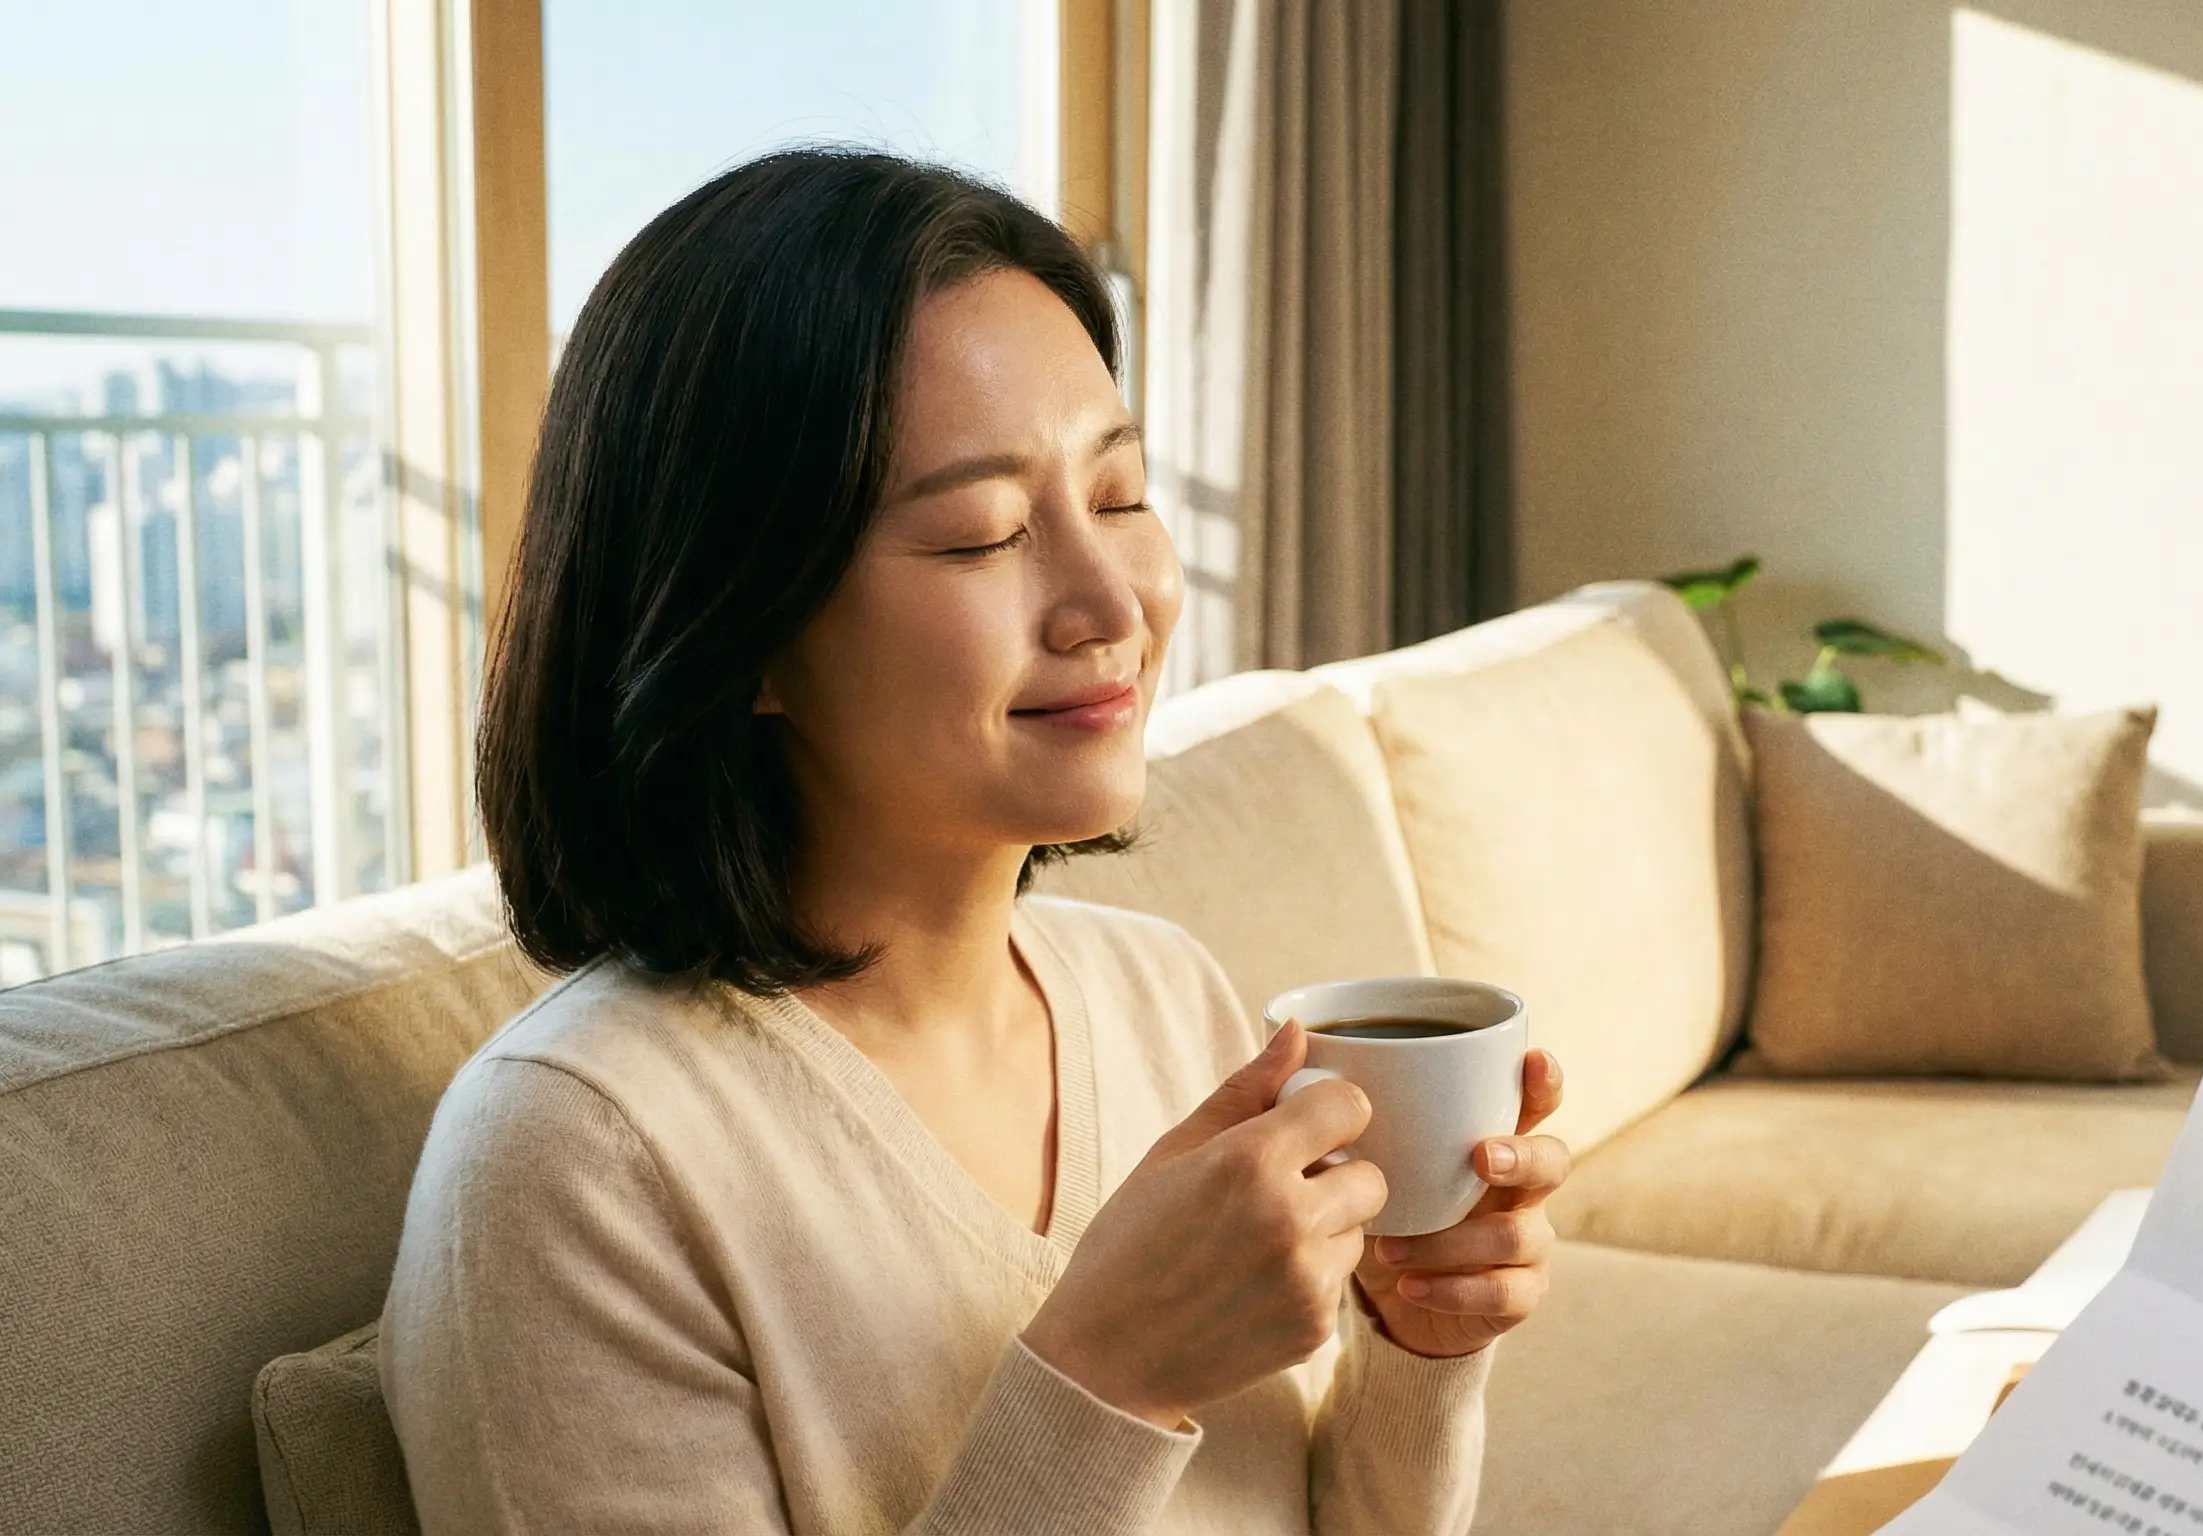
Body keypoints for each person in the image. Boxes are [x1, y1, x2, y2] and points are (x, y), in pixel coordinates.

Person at [378, 149, 1571, 1535]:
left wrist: (1422, 1350)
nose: (1108, 602)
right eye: (982, 533)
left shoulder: (1157, 992)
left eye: (1120, 498)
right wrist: (1105, 1381)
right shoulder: (575, 1159)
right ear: (741, 631)